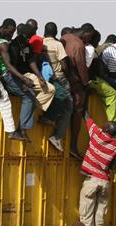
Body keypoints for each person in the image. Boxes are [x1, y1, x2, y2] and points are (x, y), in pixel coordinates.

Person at [79, 118, 116, 226]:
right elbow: (113, 166)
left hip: (92, 180)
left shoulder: (97, 135)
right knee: (99, 217)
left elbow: (86, 117)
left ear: (107, 129)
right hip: (105, 182)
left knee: (86, 216)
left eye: (105, 125)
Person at [0, 22, 36, 141]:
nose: (12, 35)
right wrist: (24, 79)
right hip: (6, 76)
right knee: (29, 97)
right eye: (11, 32)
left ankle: (22, 129)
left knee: (30, 93)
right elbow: (8, 65)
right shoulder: (4, 45)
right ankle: (21, 130)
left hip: (1, 75)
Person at [62, 24, 94, 159]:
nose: (89, 40)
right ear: (85, 32)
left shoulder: (65, 37)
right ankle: (73, 145)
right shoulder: (79, 44)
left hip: (61, 77)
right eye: (89, 36)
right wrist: (86, 82)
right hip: (73, 79)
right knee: (79, 108)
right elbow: (81, 66)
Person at [43, 21, 74, 151]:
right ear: (56, 33)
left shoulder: (42, 43)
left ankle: (49, 117)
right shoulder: (57, 45)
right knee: (69, 106)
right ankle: (57, 136)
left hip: (45, 77)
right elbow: (64, 64)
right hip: (58, 78)